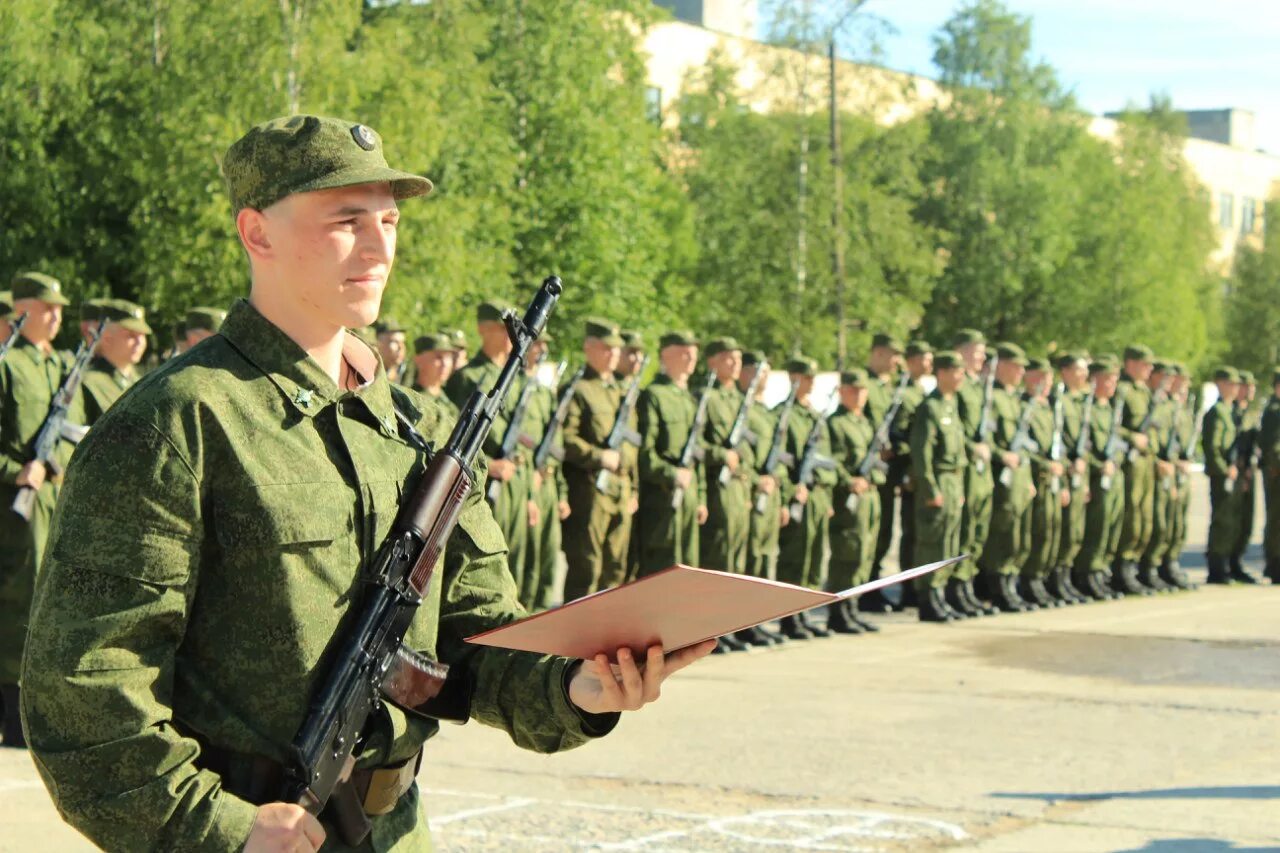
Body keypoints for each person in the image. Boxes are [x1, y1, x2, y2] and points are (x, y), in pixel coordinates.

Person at [20, 115, 712, 850]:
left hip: (397, 831)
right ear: (257, 233)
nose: (381, 247)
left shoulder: (411, 431)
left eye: (389, 219)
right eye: (348, 221)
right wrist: (222, 829)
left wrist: (577, 688)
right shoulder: (175, 424)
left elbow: (475, 639)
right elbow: (88, 691)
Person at [0, 271, 80, 749]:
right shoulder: (8, 366)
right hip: (14, 503)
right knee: (21, 602)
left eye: (60, 309)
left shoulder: (57, 366)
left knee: (49, 599)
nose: (56, 317)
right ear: (23, 310)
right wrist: (15, 470)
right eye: (47, 307)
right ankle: (14, 712)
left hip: (51, 497)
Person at [446, 300, 538, 589]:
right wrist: (488, 464)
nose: (510, 335)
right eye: (503, 329)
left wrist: (533, 492)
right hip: (485, 484)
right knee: (488, 569)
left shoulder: (521, 380)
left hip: (519, 484)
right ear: (483, 330)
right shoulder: (468, 378)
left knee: (522, 566)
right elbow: (455, 437)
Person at [560, 317, 638, 600]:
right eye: (607, 348)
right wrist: (598, 455)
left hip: (621, 488)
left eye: (617, 349)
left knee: (616, 568)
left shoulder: (620, 391)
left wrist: (634, 488)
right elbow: (564, 440)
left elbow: (632, 446)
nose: (614, 354)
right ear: (589, 348)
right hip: (591, 489)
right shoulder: (579, 390)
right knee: (587, 568)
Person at [700, 337, 764, 651]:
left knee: (738, 558)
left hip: (740, 486)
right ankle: (714, 630)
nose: (735, 363)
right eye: (728, 358)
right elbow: (698, 445)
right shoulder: (707, 398)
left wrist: (750, 480)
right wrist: (720, 455)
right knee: (720, 559)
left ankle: (732, 627)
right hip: (720, 488)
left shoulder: (738, 399)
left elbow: (748, 451)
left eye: (738, 358)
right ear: (712, 361)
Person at [634, 331, 707, 579]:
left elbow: (697, 454)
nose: (692, 357)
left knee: (689, 574)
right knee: (663, 574)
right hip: (662, 504)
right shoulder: (653, 395)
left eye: (694, 352)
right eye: (685, 352)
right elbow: (644, 455)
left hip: (688, 498)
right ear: (667, 354)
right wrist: (672, 473)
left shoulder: (689, 399)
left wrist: (701, 497)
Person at [776, 356, 836, 639]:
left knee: (813, 557)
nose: (810, 383)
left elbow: (826, 460)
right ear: (793, 378)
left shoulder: (814, 416)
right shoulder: (783, 415)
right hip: (797, 495)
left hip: (817, 496)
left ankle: (805, 612)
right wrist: (790, 488)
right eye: (806, 377)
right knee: (794, 558)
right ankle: (789, 617)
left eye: (813, 378)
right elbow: (780, 458)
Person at [909, 351, 969, 622]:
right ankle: (928, 598)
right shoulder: (929, 407)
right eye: (956, 371)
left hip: (954, 479)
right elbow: (922, 453)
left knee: (950, 539)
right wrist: (930, 488)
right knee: (932, 541)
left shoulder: (950, 404)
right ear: (942, 373)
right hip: (939, 479)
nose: (961, 377)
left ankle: (941, 593)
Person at [977, 342, 1036, 612]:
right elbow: (987, 437)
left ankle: (1010, 580)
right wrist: (1003, 455)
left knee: (1019, 532)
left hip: (1021, 476)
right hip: (1003, 476)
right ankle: (997, 585)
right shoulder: (992, 398)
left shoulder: (1015, 398)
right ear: (1001, 366)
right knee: (1002, 532)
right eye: (1017, 366)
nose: (1022, 371)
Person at [827, 368, 885, 632]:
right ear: (842, 392)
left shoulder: (865, 422)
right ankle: (839, 611)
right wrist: (849, 479)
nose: (859, 395)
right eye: (853, 390)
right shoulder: (835, 424)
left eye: (863, 390)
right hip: (849, 497)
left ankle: (854, 607)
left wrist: (872, 476)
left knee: (866, 552)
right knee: (847, 553)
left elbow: (877, 460)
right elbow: (832, 461)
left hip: (870, 495)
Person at [949, 329, 997, 616]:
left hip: (981, 471)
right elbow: (955, 429)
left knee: (978, 529)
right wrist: (972, 447)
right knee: (964, 530)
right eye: (977, 352)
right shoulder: (958, 387)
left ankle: (968, 584)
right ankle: (956, 586)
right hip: (965, 468)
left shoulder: (979, 386)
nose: (981, 358)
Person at [522, 335, 571, 611]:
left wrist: (561, 492)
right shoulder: (517, 388)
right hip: (526, 484)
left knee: (547, 560)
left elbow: (555, 448)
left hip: (548, 484)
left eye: (544, 345)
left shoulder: (543, 393)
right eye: (537, 343)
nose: (542, 349)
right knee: (524, 562)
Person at [1019, 358, 1065, 608]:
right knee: (1033, 531)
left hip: (1051, 479)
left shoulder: (1048, 408)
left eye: (1048, 379)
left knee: (1050, 528)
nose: (1045, 384)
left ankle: (1042, 577)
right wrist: (1046, 465)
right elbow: (1026, 447)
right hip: (1035, 477)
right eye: (1041, 379)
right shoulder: (1025, 407)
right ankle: (1030, 579)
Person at [889, 339, 933, 601]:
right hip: (909, 472)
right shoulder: (903, 392)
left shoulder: (920, 390)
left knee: (918, 531)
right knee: (910, 531)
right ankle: (907, 586)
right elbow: (898, 435)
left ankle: (915, 584)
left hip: (918, 470)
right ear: (913, 361)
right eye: (925, 359)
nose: (929, 364)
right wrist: (907, 468)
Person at [1112, 344, 1157, 594]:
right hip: (1131, 463)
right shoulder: (1123, 390)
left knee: (1144, 515)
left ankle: (1135, 563)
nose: (1149, 369)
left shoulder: (1145, 392)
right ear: (1130, 364)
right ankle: (1122, 568)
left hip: (1146, 462)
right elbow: (1113, 425)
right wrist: (1132, 438)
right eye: (1145, 364)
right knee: (1130, 515)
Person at [865, 333, 904, 604]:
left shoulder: (890, 387)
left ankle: (875, 584)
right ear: (878, 353)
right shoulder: (863, 384)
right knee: (868, 533)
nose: (896, 361)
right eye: (892, 355)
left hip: (887, 471)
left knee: (885, 530)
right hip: (868, 470)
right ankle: (865, 589)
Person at [1049, 352, 1091, 603]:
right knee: (1060, 531)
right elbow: (1058, 443)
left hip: (1077, 474)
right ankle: (1056, 580)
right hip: (1062, 474)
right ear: (1065, 371)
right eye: (1079, 370)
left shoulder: (1080, 401)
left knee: (1076, 530)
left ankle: (1066, 578)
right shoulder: (1059, 401)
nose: (1084, 375)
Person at [1203, 367, 1246, 584]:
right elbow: (1212, 447)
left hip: (1232, 473)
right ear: (1220, 384)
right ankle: (1216, 568)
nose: (1235, 388)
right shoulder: (1217, 412)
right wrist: (1223, 469)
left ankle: (1226, 563)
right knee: (1221, 521)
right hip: (1221, 475)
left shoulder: (1231, 411)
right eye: (1231, 384)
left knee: (1232, 521)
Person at [80, 299, 152, 426]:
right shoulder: (87, 383)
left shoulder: (144, 383)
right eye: (131, 335)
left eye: (142, 335)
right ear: (107, 338)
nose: (139, 342)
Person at [1228, 371, 1261, 583]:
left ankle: (1236, 562)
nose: (1249, 390)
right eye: (1244, 386)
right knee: (1229, 519)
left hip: (1247, 470)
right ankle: (1224, 564)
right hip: (1233, 471)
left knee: (1246, 520)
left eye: (1252, 386)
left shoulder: (1250, 413)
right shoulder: (1229, 412)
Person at [1259, 368, 1280, 584]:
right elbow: (1272, 446)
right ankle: (1274, 565)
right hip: (1276, 472)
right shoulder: (1274, 411)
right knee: (1276, 520)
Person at [409, 332, 458, 416]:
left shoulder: (450, 406)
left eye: (448, 357)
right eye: (439, 357)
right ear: (418, 360)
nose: (445, 364)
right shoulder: (409, 400)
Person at [374, 316, 409, 384]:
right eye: (395, 342)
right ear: (379, 344)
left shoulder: (407, 374)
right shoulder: (369, 374)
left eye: (403, 342)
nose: (401, 347)